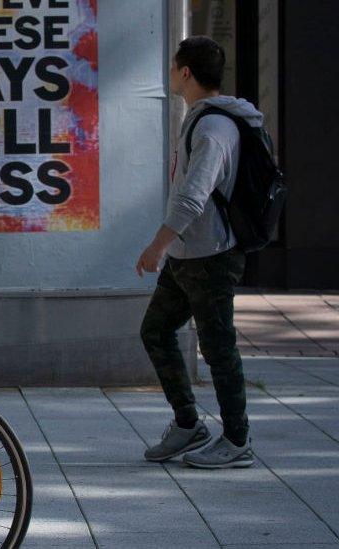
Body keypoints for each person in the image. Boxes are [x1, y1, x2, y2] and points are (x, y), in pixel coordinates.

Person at [136, 36, 264, 469]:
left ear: (185, 72)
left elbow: (193, 196)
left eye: (174, 69)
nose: (171, 75)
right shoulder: (201, 119)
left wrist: (158, 244)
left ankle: (236, 439)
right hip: (189, 255)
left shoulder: (214, 128)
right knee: (155, 331)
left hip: (211, 255)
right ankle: (190, 425)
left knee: (218, 346)